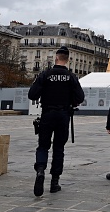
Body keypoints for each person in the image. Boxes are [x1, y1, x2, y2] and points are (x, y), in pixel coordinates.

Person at [28, 46, 84, 197]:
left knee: (43, 146)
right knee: (59, 148)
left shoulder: (46, 74)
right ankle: (54, 182)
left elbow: (32, 94)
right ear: (67, 60)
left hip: (47, 113)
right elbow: (80, 97)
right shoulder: (71, 77)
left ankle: (40, 170)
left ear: (56, 58)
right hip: (63, 115)